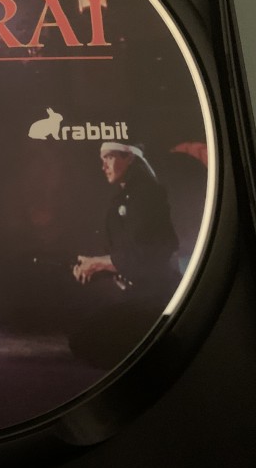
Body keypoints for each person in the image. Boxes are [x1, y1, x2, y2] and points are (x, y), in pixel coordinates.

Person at [68, 141, 180, 367]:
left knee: (89, 342)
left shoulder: (147, 195)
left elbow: (152, 254)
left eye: (110, 157)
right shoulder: (125, 197)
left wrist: (100, 264)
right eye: (102, 159)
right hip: (135, 296)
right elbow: (125, 255)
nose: (104, 166)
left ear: (129, 158)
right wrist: (95, 266)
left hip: (154, 300)